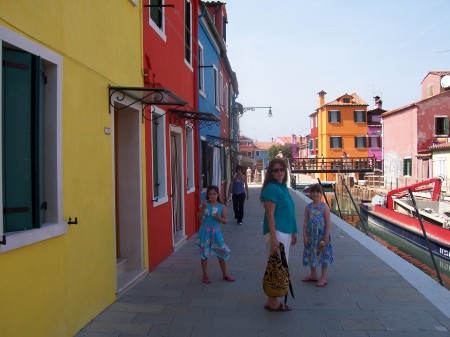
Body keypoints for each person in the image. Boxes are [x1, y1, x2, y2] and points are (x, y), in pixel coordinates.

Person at [260, 158, 298, 311]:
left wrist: (294, 231)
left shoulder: (283, 187)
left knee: (282, 266)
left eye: (282, 169)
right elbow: (270, 214)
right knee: (276, 267)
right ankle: (272, 301)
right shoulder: (271, 188)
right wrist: (274, 237)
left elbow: (290, 212)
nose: (279, 172)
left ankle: (273, 300)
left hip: (286, 231)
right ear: (270, 172)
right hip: (278, 232)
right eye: (275, 170)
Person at [196, 185, 235, 284]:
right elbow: (198, 217)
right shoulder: (204, 205)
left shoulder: (221, 206)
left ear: (217, 195)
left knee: (221, 253)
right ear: (207, 195)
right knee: (204, 255)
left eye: (214, 194)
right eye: (210, 194)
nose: (212, 196)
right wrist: (203, 207)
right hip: (204, 232)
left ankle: (225, 274)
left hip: (216, 232)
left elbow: (225, 221)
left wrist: (219, 218)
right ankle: (205, 275)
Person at [302, 183, 334, 287]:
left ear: (321, 194)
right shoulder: (308, 207)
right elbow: (305, 223)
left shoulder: (324, 206)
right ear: (310, 194)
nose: (315, 194)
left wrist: (326, 236)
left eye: (318, 192)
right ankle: (313, 274)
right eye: (313, 192)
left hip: (321, 236)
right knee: (312, 254)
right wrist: (305, 236)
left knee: (323, 255)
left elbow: (328, 222)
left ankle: (324, 277)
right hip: (312, 236)